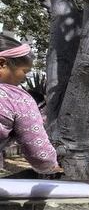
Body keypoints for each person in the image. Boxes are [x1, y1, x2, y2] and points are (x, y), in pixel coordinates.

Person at [0, 35, 59, 179]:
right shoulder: (16, 99)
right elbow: (40, 155)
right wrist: (53, 167)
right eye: (24, 71)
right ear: (2, 63)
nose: (24, 78)